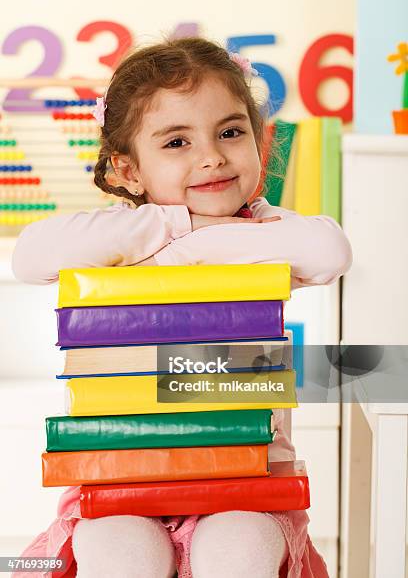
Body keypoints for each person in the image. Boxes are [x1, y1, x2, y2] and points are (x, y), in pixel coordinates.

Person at [12, 37, 352, 578]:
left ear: (258, 140)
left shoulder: (272, 228)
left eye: (231, 132)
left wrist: (199, 236)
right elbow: (29, 257)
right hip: (124, 476)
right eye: (176, 142)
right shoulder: (129, 232)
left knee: (238, 548)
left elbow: (330, 251)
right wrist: (178, 222)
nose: (212, 156)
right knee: (120, 552)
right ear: (128, 171)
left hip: (247, 482)